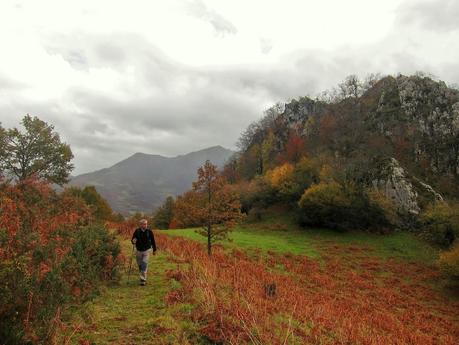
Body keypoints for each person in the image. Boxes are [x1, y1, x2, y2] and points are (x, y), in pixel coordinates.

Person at [131, 219, 157, 285]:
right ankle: (142, 275)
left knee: (144, 264)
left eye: (146, 224)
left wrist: (154, 250)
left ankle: (143, 280)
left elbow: (153, 241)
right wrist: (133, 241)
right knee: (140, 265)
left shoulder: (149, 231)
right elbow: (133, 239)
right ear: (140, 225)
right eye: (143, 224)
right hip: (138, 250)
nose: (145, 225)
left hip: (147, 250)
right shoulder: (137, 231)